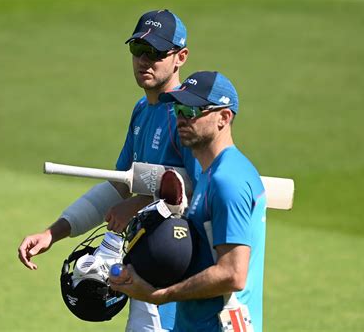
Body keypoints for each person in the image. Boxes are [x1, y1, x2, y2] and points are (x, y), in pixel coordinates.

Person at [17, 9, 201, 331]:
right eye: (137, 51)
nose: (144, 60)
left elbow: (196, 189)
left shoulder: (186, 116)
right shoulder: (143, 109)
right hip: (143, 267)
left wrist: (137, 205)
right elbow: (120, 185)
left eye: (155, 52)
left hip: (175, 275)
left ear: (180, 57)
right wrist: (53, 232)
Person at [110, 71, 267, 331]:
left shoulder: (228, 181)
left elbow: (232, 274)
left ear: (223, 117)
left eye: (192, 112)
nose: (182, 119)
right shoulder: (211, 175)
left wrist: (161, 295)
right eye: (178, 110)